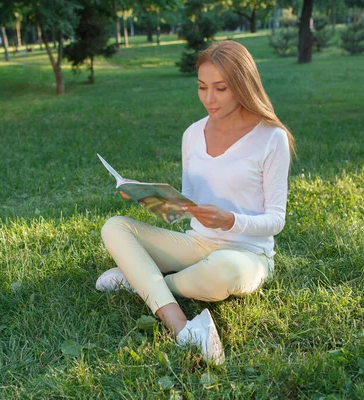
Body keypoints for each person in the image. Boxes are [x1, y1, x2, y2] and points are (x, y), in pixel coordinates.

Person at [96, 40, 294, 365]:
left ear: (243, 86)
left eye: (221, 88)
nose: (209, 98)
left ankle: (141, 281)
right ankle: (182, 326)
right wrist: (155, 199)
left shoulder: (271, 138)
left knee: (222, 271)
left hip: (249, 254)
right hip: (197, 243)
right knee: (115, 227)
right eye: (202, 87)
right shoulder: (192, 134)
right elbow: (190, 202)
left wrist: (230, 220)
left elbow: (276, 219)